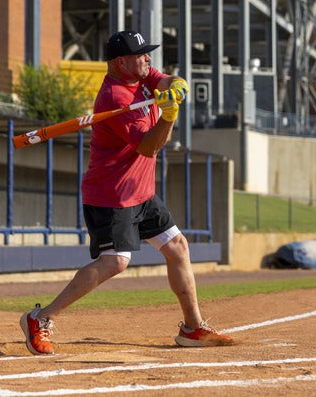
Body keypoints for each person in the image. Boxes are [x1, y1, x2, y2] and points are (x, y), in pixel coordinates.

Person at [20, 30, 233, 355]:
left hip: (142, 193)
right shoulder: (115, 98)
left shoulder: (142, 76)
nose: (148, 58)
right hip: (112, 195)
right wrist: (169, 115)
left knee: (177, 247)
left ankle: (193, 328)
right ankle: (40, 318)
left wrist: (177, 85)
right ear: (121, 62)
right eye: (141, 54)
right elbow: (149, 147)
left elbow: (166, 79)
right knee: (116, 262)